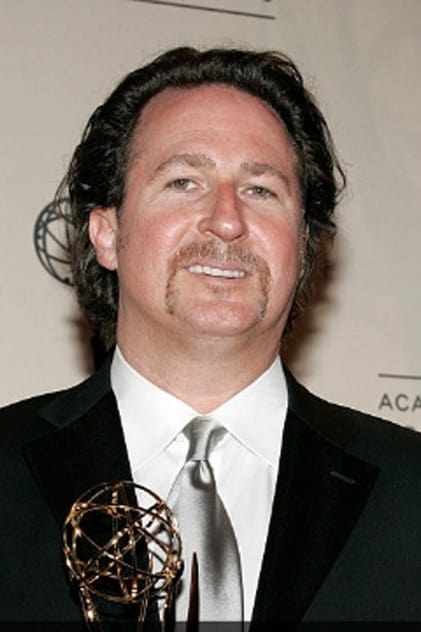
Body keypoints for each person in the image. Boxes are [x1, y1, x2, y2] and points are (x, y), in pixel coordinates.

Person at [2, 46, 421, 627]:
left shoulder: (410, 491)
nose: (226, 220)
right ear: (107, 232)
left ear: (304, 247)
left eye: (260, 190)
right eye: (184, 182)